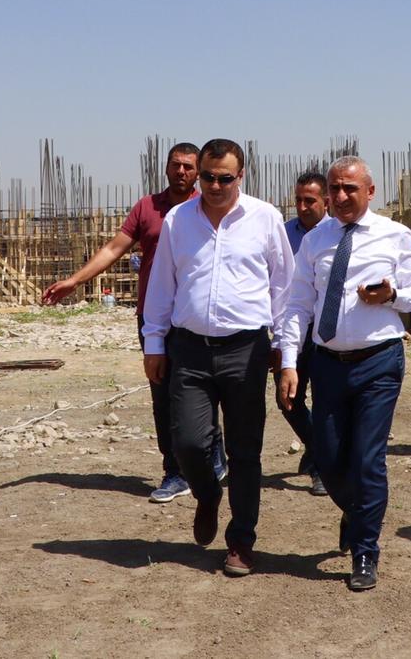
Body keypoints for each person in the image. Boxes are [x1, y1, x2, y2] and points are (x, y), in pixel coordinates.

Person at [142, 138, 294, 577]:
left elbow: (283, 291)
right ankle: (207, 493)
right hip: (188, 349)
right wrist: (154, 343)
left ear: (240, 176)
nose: (213, 185)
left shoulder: (264, 219)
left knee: (245, 452)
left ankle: (241, 542)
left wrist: (286, 353)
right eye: (207, 176)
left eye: (224, 178)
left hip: (246, 350)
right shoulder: (177, 220)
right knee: (188, 442)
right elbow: (162, 287)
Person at [278, 156, 411, 591]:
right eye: (335, 189)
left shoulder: (394, 236)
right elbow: (298, 305)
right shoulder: (314, 241)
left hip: (379, 361)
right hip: (327, 364)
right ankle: (356, 510)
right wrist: (289, 362)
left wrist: (392, 294)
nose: (341, 197)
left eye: (350, 189)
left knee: (367, 460)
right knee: (327, 457)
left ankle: (366, 550)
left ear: (370, 191)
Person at [43, 142, 221, 503]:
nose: (182, 172)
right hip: (154, 315)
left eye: (189, 166)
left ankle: (212, 455)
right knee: (162, 392)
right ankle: (174, 471)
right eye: (177, 165)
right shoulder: (147, 207)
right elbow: (114, 248)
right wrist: (75, 281)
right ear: (166, 168)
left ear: (199, 171)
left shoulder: (208, 208)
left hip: (195, 315)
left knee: (204, 391)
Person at [280, 170, 329, 495]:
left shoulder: (338, 234)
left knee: (326, 404)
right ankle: (317, 449)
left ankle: (323, 470)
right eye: (298, 200)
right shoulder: (284, 234)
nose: (302, 206)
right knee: (288, 400)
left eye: (309, 200)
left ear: (325, 201)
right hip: (292, 328)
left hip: (326, 333)